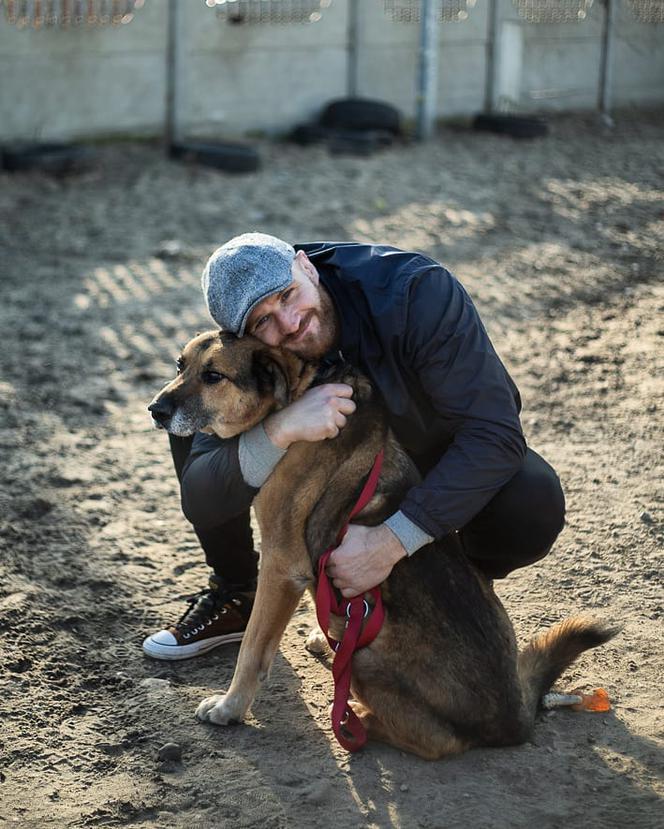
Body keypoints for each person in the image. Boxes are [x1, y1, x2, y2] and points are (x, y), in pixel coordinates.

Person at [143, 233, 565, 660]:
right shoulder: (236, 350)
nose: (288, 323)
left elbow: (495, 434)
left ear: (306, 267)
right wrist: (281, 428)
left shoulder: (416, 292)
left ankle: (454, 589)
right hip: (333, 461)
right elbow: (202, 496)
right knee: (201, 415)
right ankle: (236, 593)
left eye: (288, 295)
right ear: (242, 337)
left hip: (429, 451)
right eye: (262, 321)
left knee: (531, 502)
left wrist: (393, 542)